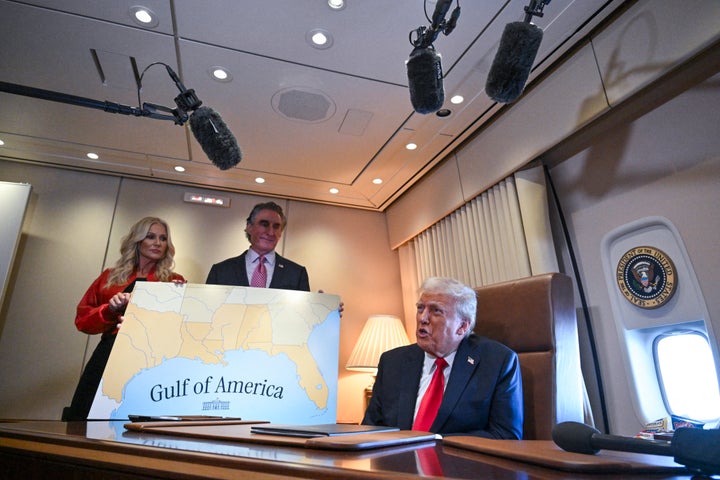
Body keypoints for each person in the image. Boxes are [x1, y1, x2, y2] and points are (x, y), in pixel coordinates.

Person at [362, 276, 523, 439]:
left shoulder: (497, 363)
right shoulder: (392, 362)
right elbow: (371, 428)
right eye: (420, 308)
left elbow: (506, 436)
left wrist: (438, 444)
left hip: (457, 463)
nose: (422, 318)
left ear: (462, 326)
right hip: (395, 462)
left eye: (436, 310)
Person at [63, 216, 186, 421]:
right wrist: (109, 310)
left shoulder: (175, 281)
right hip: (109, 351)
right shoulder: (110, 277)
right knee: (85, 414)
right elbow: (82, 320)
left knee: (139, 418)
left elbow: (179, 330)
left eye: (163, 238)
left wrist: (183, 299)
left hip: (150, 358)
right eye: (150, 236)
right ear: (137, 241)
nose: (157, 243)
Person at [206, 201, 310, 291]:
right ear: (249, 227)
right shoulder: (220, 271)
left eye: (276, 227)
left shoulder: (297, 274)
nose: (270, 232)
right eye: (264, 224)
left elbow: (304, 312)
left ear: (280, 233)